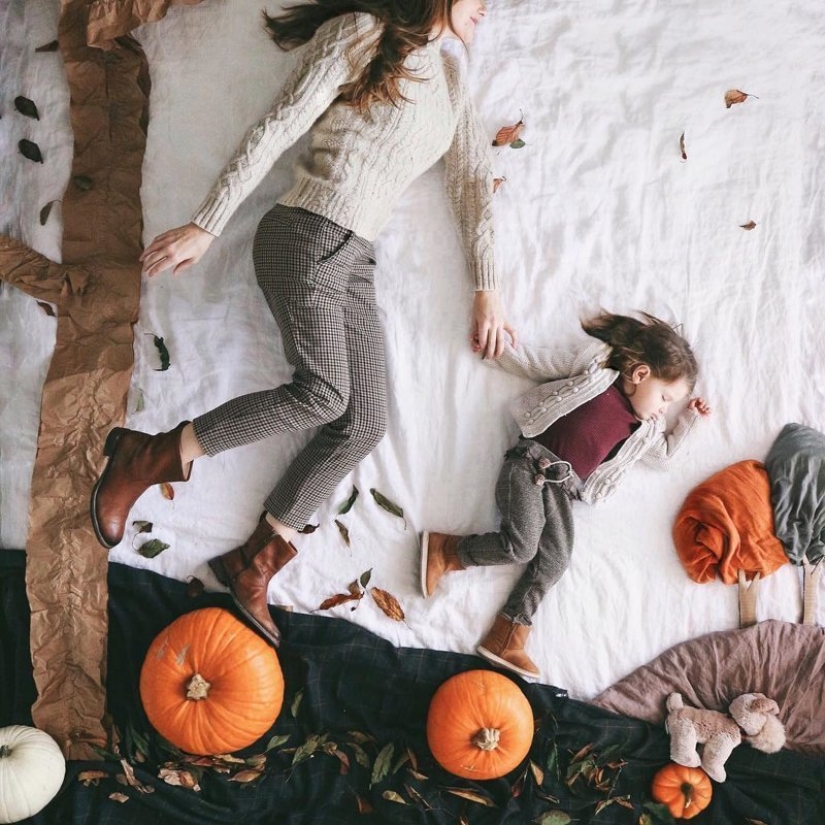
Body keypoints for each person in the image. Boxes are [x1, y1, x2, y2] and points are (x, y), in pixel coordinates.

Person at [89, 0, 515, 647]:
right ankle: (147, 453)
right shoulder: (363, 33)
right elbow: (279, 122)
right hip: (306, 233)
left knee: (363, 420)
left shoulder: (452, 83)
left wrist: (488, 288)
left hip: (356, 259)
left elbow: (472, 186)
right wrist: (209, 221)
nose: (488, 9)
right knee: (321, 393)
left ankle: (254, 561)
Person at [420, 311, 712, 679]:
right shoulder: (596, 366)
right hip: (529, 466)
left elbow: (666, 457)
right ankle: (445, 551)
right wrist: (497, 350)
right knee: (522, 546)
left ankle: (507, 635)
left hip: (564, 489)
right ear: (640, 375)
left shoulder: (644, 430)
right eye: (665, 397)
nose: (663, 410)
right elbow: (536, 364)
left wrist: (689, 421)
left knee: (555, 560)